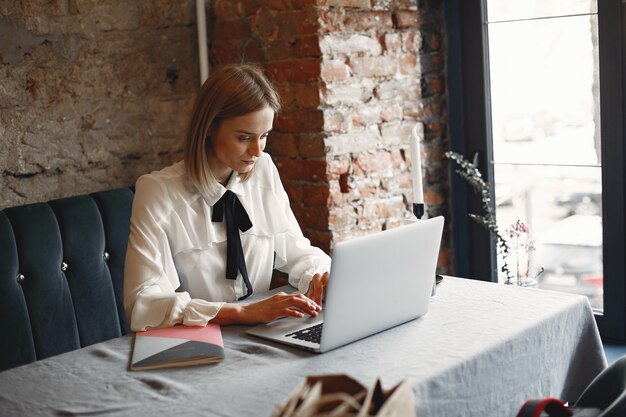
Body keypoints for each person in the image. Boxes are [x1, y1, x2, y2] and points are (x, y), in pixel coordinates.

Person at [123, 64, 331, 331]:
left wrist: (320, 278)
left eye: (264, 136)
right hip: (201, 340)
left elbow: (297, 251)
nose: (257, 151)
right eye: (244, 137)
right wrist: (243, 312)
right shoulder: (157, 192)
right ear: (209, 127)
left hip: (262, 334)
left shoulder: (264, 170)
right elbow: (144, 302)